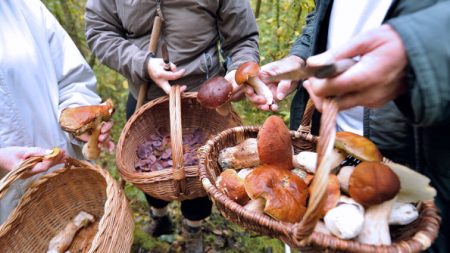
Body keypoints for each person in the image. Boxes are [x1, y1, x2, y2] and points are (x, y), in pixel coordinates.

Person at [256, 0, 450, 252]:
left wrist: (417, 51)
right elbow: (322, 15)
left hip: (415, 159)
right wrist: (301, 58)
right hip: (322, 141)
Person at [84, 0, 259, 251]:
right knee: (146, 167)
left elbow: (243, 37)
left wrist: (238, 71)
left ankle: (193, 228)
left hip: (205, 95)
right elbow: (100, 31)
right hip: (146, 94)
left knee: (202, 175)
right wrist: (141, 63)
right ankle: (160, 216)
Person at [0, 0, 113, 223]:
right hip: (7, 207)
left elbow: (72, 79)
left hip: (66, 174)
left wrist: (80, 122)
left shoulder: (23, 7)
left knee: (86, 234)